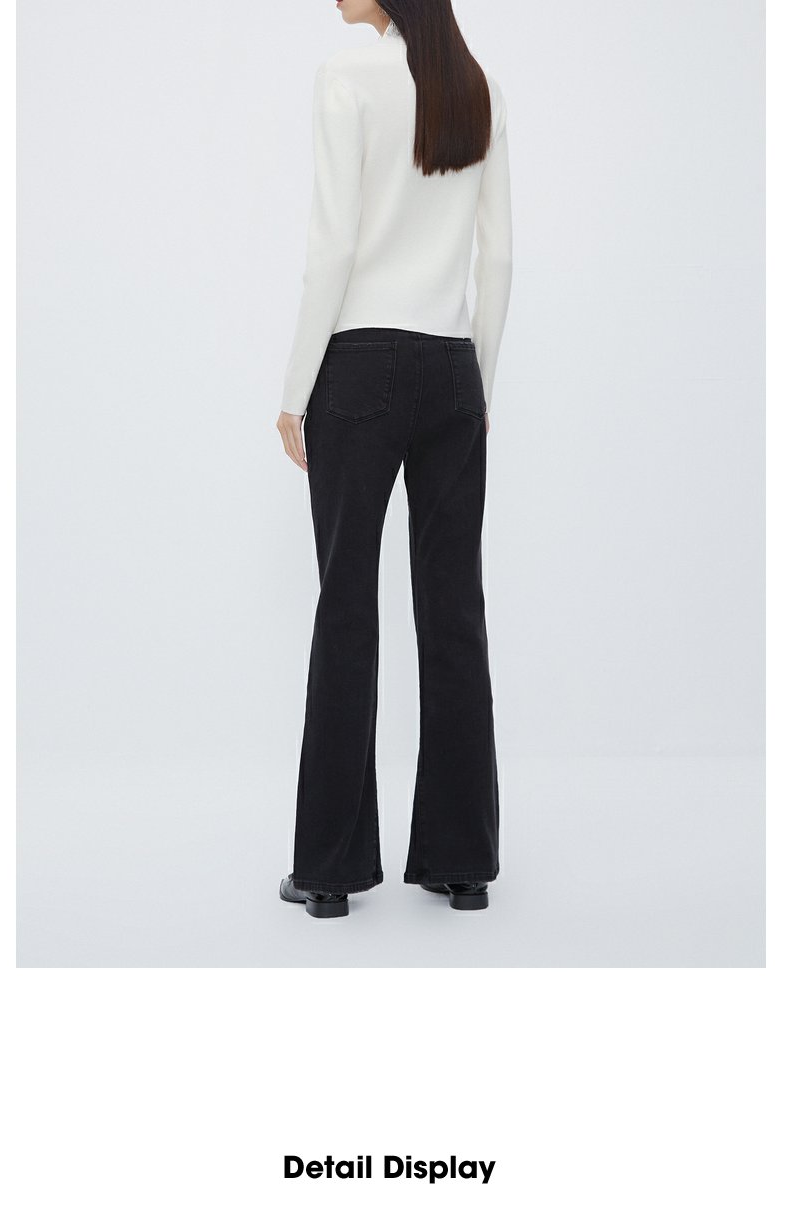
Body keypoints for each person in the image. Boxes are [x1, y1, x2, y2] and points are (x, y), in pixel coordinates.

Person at [277, 0, 513, 919]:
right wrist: (478, 384)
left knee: (346, 608)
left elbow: (333, 245)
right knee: (454, 613)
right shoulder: (478, 86)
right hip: (453, 368)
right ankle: (463, 864)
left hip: (361, 365)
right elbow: (499, 259)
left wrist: (295, 388)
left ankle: (330, 872)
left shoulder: (347, 77)